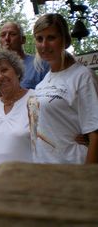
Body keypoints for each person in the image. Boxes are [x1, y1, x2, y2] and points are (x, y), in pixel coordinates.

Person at [28, 13, 98, 164]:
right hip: (44, 171)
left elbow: (95, 134)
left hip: (72, 170)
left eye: (51, 37)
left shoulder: (82, 76)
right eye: (39, 39)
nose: (44, 45)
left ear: (65, 40)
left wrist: (89, 179)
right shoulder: (43, 83)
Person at [0, 50, 34, 176]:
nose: (0, 76)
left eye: (4, 70)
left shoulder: (35, 100)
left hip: (26, 184)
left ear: (17, 71)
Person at [0, 22, 49, 98]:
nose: (7, 38)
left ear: (23, 40)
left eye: (12, 34)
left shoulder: (40, 64)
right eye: (3, 35)